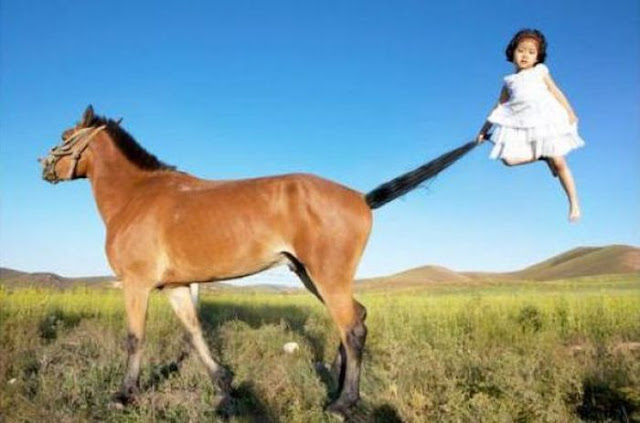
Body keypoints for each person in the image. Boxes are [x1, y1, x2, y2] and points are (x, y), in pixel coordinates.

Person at [476, 29, 585, 222]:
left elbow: (555, 91)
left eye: (531, 52)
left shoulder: (540, 71)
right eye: (521, 50)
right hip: (524, 124)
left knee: (559, 162)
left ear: (537, 57)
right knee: (508, 160)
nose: (525, 55)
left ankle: (574, 204)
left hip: (547, 121)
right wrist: (483, 130)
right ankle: (543, 157)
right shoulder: (509, 82)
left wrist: (570, 112)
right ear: (512, 53)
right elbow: (498, 107)